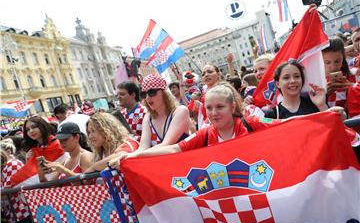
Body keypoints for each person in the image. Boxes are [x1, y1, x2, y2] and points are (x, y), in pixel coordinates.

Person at [109, 82, 281, 168]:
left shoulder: (251, 122)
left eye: (220, 107)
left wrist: (308, 119)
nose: (214, 113)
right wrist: (133, 156)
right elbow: (175, 149)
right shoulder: (205, 133)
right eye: (209, 108)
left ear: (232, 106)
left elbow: (279, 124)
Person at [10, 116, 67, 187]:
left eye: (34, 127)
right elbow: (31, 172)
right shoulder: (34, 149)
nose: (31, 131)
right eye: (28, 129)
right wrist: (28, 159)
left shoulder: (57, 144)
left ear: (42, 126)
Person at [137, 74, 190, 149]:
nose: (147, 97)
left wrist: (136, 155)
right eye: (144, 94)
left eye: (152, 92)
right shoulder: (148, 117)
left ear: (164, 92)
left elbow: (166, 145)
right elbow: (143, 147)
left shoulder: (181, 111)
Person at [264, 61, 329, 119]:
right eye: (286, 78)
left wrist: (322, 105)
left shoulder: (315, 102)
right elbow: (262, 127)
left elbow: (332, 124)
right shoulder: (272, 115)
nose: (293, 81)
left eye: (297, 76)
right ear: (277, 84)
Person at [322, 37, 356, 109]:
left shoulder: (352, 76)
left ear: (343, 57)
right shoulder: (315, 80)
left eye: (337, 61)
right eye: (327, 62)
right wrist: (323, 94)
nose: (333, 67)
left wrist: (353, 89)